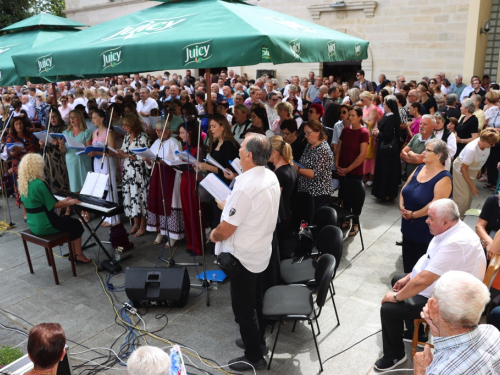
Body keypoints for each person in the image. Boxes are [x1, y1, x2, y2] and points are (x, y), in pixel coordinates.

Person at [375, 199, 486, 372]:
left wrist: (396, 297)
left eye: (430, 218)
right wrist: (409, 277)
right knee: (398, 279)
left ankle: (395, 355)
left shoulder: (457, 243)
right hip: (444, 286)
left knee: (389, 308)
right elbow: (428, 260)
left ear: (445, 222)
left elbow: (424, 280)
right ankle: (416, 332)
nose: (426, 220)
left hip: (453, 303)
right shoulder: (449, 230)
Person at [210, 133, 280, 371]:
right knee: (256, 301)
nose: (238, 150)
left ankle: (253, 356)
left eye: (241, 147)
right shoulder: (269, 175)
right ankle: (257, 342)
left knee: (243, 309)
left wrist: (214, 234)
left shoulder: (247, 186)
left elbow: (227, 229)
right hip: (261, 251)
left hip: (244, 256)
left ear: (249, 155)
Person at [414, 271, 500, 375]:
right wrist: (438, 330)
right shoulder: (492, 331)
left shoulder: (440, 371)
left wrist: (420, 371)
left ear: (432, 305)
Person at [19, 154, 90, 263]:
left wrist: (65, 201)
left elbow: (45, 203)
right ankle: (78, 255)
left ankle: (74, 252)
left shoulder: (24, 184)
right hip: (46, 224)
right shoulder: (39, 183)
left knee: (69, 222)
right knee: (76, 224)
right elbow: (55, 205)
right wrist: (71, 202)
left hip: (33, 224)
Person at [399, 139, 452, 272]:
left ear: (438, 156)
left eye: (427, 150)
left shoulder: (444, 177)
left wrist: (413, 215)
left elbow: (435, 204)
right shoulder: (420, 168)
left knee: (420, 269)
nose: (423, 152)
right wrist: (401, 205)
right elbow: (405, 188)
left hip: (425, 231)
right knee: (409, 265)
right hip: (408, 226)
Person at [145, 121, 184, 246]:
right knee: (158, 202)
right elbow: (151, 159)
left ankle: (173, 234)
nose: (158, 132)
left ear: (167, 130)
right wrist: (148, 159)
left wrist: (164, 162)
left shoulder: (174, 143)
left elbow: (179, 162)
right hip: (157, 175)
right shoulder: (156, 142)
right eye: (156, 130)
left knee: (169, 203)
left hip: (170, 176)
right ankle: (161, 230)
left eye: (160, 130)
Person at [198, 114, 239, 228]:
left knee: (221, 218)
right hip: (215, 186)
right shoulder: (216, 143)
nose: (210, 129)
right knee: (215, 217)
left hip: (224, 187)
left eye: (213, 126)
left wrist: (207, 167)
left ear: (222, 127)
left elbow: (227, 172)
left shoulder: (229, 145)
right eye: (210, 126)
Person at [335, 107, 369, 231]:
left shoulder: (363, 133)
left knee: (356, 198)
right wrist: (337, 163)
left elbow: (362, 155)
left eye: (353, 115)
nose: (350, 117)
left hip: (354, 171)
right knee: (345, 197)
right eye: (349, 115)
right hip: (342, 170)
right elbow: (339, 148)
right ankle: (346, 219)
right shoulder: (345, 130)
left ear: (360, 117)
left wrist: (348, 169)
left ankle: (355, 223)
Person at [453, 128, 499, 217]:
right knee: (463, 196)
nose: (493, 145)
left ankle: (464, 214)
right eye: (491, 143)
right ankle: (457, 217)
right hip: (461, 170)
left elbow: (482, 157)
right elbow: (463, 169)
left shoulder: (485, 145)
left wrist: (479, 169)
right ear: (484, 141)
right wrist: (472, 186)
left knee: (469, 195)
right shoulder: (472, 149)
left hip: (471, 169)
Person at [117, 114, 150, 236]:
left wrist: (128, 155)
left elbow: (146, 156)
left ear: (133, 125)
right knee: (131, 197)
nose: (124, 127)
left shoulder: (142, 137)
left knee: (140, 198)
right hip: (128, 171)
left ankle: (143, 224)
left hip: (139, 172)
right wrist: (120, 153)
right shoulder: (126, 136)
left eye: (126, 125)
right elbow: (124, 150)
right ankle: (135, 223)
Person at [59, 110, 93, 221]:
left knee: (85, 187)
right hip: (71, 160)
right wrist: (61, 146)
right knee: (76, 188)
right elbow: (63, 150)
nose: (72, 119)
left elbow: (88, 149)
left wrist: (79, 146)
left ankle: (87, 212)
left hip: (83, 160)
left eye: (74, 117)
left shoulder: (86, 132)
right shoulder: (66, 132)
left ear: (79, 118)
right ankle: (81, 210)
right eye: (70, 117)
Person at [179, 119, 206, 256]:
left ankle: (198, 245)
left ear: (190, 133)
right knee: (187, 213)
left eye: (182, 133)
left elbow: (200, 169)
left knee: (195, 213)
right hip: (184, 180)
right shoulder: (185, 148)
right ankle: (190, 243)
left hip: (194, 182)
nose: (180, 135)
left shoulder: (199, 148)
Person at [296, 119, 334, 212]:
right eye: (305, 133)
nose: (306, 136)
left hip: (318, 194)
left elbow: (315, 174)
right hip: (306, 191)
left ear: (317, 132)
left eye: (308, 133)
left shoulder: (323, 150)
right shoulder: (309, 145)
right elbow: (304, 164)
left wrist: (297, 169)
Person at [269, 135, 297, 254]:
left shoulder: (280, 174)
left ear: (274, 153)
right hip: (286, 213)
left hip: (280, 218)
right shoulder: (290, 167)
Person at [6, 117, 40, 212]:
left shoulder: (30, 136)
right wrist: (14, 152)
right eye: (16, 124)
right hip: (18, 166)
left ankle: (35, 208)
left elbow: (37, 149)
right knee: (22, 189)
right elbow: (9, 154)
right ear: (13, 126)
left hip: (31, 165)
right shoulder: (10, 137)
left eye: (20, 123)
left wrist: (31, 151)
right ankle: (25, 211)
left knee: (32, 188)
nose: (19, 126)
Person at [372, 96, 402, 201]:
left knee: (385, 172)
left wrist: (378, 133)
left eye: (384, 104)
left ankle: (384, 193)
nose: (383, 105)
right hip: (385, 148)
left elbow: (387, 134)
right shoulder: (388, 116)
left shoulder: (390, 118)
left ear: (388, 106)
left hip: (387, 150)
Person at [38, 109, 70, 199]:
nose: (53, 119)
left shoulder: (64, 129)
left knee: (64, 181)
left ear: (59, 117)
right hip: (49, 160)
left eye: (55, 116)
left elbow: (68, 144)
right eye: (50, 117)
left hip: (61, 159)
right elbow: (43, 148)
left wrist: (56, 142)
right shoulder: (48, 129)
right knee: (52, 182)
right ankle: (58, 203)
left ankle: (68, 206)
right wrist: (42, 144)